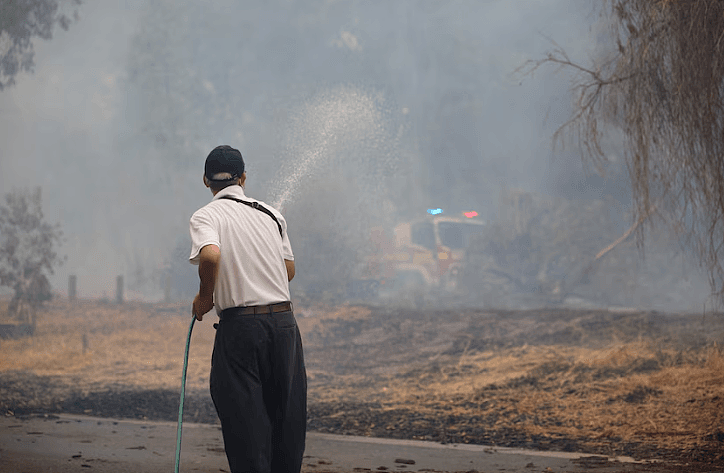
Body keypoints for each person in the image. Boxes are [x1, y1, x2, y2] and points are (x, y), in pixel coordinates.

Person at [189, 145, 306, 473]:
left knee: (246, 431)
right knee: (287, 426)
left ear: (205, 181)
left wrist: (204, 298)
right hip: (284, 326)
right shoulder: (271, 214)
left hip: (241, 330)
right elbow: (288, 272)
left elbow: (210, 255)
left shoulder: (206, 216)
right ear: (243, 178)